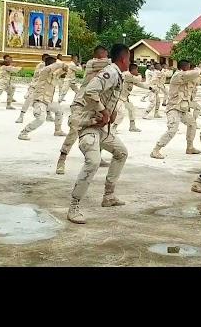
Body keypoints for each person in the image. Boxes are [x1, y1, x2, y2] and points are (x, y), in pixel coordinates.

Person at [66, 44, 132, 224]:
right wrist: (103, 111)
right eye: (129, 58)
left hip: (101, 128)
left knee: (121, 152)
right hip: (88, 125)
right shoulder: (110, 72)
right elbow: (90, 90)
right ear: (124, 58)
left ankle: (109, 196)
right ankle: (74, 207)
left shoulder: (118, 74)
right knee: (93, 161)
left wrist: (110, 113)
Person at [56, 47, 110, 175]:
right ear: (97, 56)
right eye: (104, 55)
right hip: (81, 103)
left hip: (95, 105)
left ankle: (98, 156)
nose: (106, 58)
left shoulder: (107, 71)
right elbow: (109, 63)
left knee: (102, 130)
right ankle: (62, 159)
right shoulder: (92, 64)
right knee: (74, 129)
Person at [150, 60, 201, 159]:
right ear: (184, 67)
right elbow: (195, 73)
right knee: (172, 129)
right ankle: (156, 150)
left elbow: (197, 80)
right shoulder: (177, 76)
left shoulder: (187, 78)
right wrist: (198, 68)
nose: (190, 69)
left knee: (192, 124)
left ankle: (190, 147)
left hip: (182, 109)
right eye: (188, 67)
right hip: (173, 108)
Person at [17, 56, 67, 140]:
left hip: (48, 101)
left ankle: (57, 130)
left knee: (60, 110)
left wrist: (65, 67)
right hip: (39, 101)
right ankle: (23, 132)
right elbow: (53, 67)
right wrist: (60, 64)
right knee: (41, 119)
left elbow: (64, 70)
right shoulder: (43, 71)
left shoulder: (53, 74)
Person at [113, 63, 153, 133]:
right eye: (137, 70)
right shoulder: (127, 75)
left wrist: (150, 88)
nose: (137, 72)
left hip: (124, 97)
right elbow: (138, 80)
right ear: (133, 69)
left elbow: (139, 84)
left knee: (131, 109)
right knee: (121, 113)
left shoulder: (131, 77)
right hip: (118, 97)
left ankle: (132, 126)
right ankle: (113, 128)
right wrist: (140, 75)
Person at [16, 53, 48, 124]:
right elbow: (41, 73)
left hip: (42, 87)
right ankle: (21, 116)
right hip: (35, 86)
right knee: (28, 100)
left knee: (46, 100)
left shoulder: (47, 66)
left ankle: (48, 115)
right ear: (43, 59)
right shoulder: (41, 65)